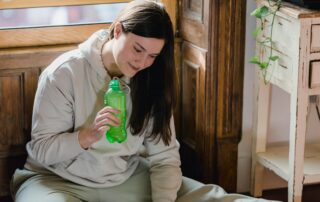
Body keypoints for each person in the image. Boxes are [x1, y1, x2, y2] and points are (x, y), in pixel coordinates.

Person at [10, 0, 276, 201]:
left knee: (214, 197)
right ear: (116, 31)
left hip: (124, 178)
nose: (142, 62)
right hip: (54, 181)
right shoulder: (64, 73)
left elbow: (165, 157)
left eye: (152, 56)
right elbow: (41, 151)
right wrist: (85, 137)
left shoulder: (151, 79)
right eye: (138, 49)